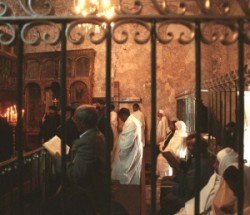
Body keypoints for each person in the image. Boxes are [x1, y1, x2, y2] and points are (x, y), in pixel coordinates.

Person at [44, 104, 108, 215]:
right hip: (94, 188)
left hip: (87, 195)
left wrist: (59, 160)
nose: (74, 122)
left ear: (82, 122)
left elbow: (76, 174)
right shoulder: (97, 135)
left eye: (75, 119)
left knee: (50, 206)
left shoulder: (86, 142)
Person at [159, 133, 214, 215]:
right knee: (166, 182)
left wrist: (177, 168)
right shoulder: (201, 156)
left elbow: (188, 185)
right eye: (187, 145)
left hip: (194, 196)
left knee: (167, 199)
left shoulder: (201, 161)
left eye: (191, 145)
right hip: (193, 189)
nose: (188, 148)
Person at [175, 147, 239, 215]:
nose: (214, 165)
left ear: (224, 165)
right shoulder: (216, 176)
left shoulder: (229, 187)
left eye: (217, 163)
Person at [111, 108, 143, 185]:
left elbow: (126, 143)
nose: (121, 120)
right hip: (135, 150)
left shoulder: (130, 122)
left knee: (120, 170)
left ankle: (126, 190)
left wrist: (120, 139)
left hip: (131, 152)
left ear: (124, 115)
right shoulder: (133, 120)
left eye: (120, 117)